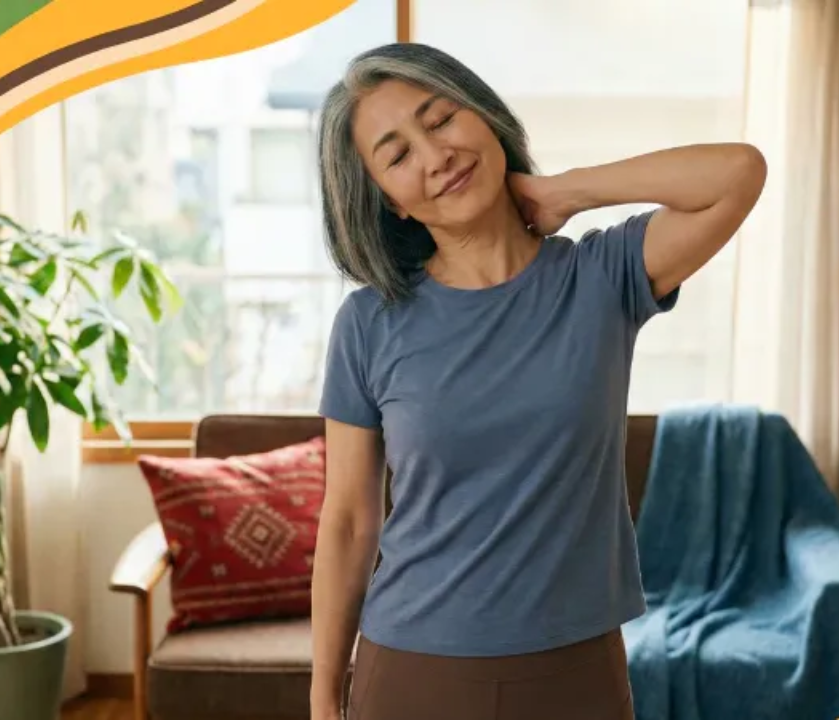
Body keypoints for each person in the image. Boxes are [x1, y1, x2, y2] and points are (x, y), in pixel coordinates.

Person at [309, 42, 766, 720]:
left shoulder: (601, 278)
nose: (435, 156)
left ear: (485, 117)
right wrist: (322, 698)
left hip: (577, 666)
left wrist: (566, 191)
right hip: (413, 669)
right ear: (388, 202)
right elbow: (348, 521)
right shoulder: (371, 322)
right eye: (398, 154)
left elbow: (737, 172)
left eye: (441, 120)